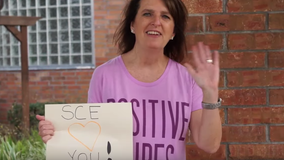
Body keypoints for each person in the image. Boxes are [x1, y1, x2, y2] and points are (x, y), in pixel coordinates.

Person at [36, 0, 222, 159]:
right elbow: (92, 139)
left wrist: (211, 94)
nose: (156, 22)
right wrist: (58, 133)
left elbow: (209, 145)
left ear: (173, 31)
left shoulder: (188, 79)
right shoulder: (104, 75)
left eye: (166, 16)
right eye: (147, 14)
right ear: (132, 24)